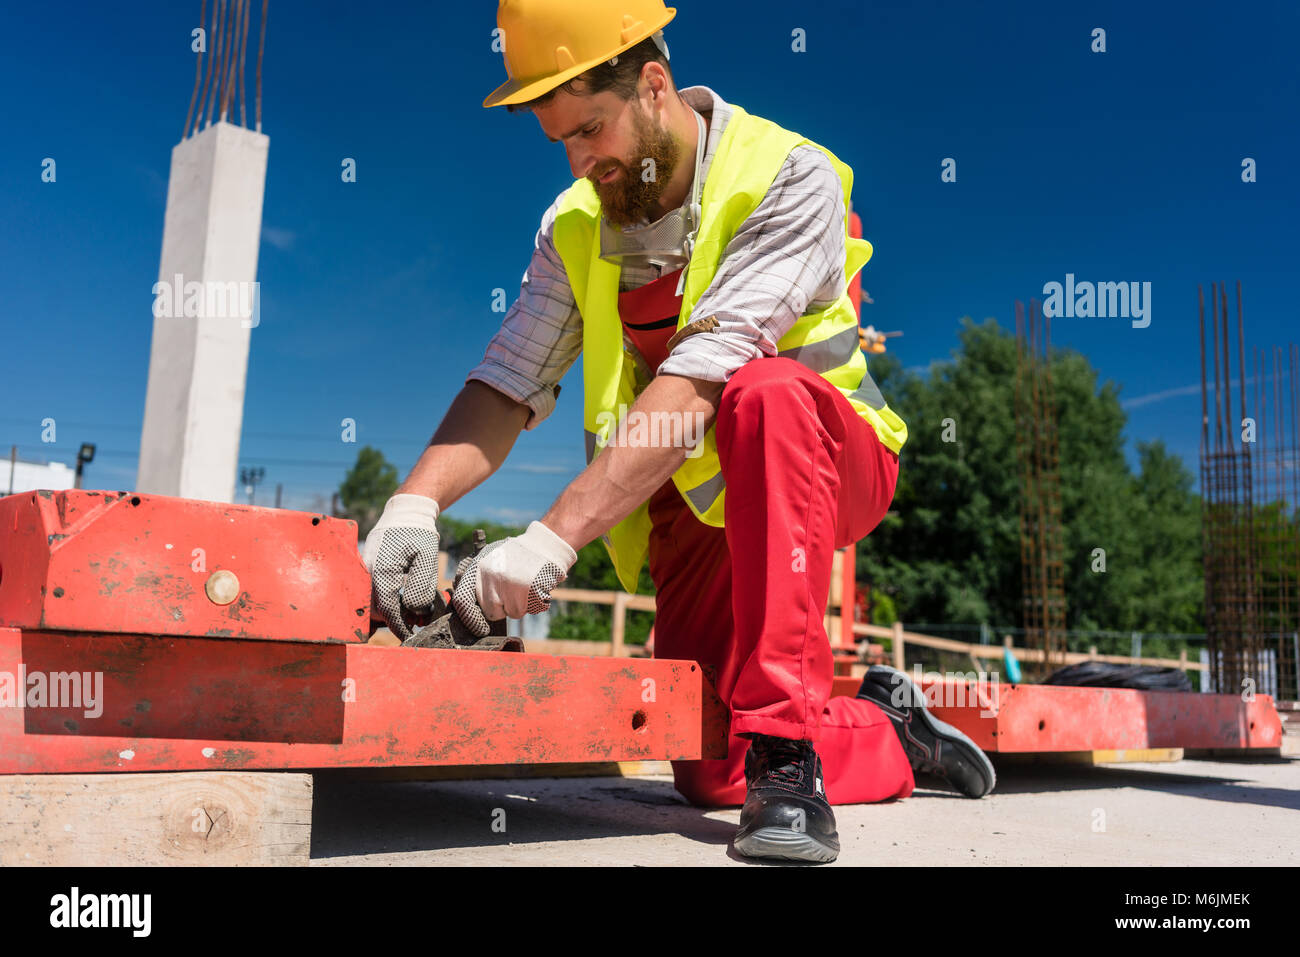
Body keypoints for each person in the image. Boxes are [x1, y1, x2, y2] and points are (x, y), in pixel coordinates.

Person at [364, 0, 994, 863]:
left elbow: (704, 379)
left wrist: (550, 540)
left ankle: (788, 750)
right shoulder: (576, 224)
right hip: (699, 504)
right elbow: (512, 378)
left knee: (763, 393)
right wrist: (411, 506)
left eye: (591, 129)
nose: (583, 163)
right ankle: (880, 728)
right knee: (707, 770)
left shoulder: (786, 174)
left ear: (653, 84)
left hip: (828, 461)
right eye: (562, 143)